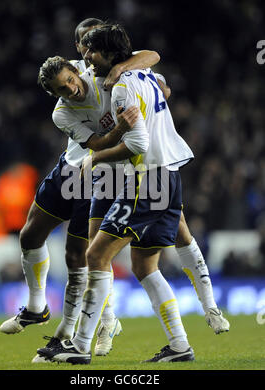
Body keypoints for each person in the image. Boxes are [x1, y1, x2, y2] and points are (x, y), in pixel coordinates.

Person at [0, 18, 161, 360]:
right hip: (72, 168)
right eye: (63, 87)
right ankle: (37, 306)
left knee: (79, 258)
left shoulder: (99, 72)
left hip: (97, 175)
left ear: (78, 67)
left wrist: (125, 70)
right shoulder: (62, 113)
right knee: (29, 235)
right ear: (55, 94)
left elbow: (152, 57)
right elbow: (99, 142)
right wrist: (121, 127)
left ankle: (74, 331)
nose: (72, 87)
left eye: (71, 80)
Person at [36, 23, 196, 365]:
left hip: (143, 179)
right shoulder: (146, 76)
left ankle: (79, 347)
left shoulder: (121, 85)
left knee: (95, 257)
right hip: (166, 175)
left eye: (93, 51)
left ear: (110, 55)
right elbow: (156, 70)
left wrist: (95, 159)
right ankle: (180, 345)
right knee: (144, 266)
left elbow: (136, 143)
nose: (87, 58)